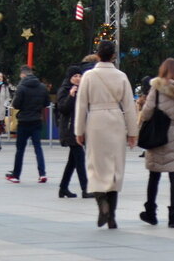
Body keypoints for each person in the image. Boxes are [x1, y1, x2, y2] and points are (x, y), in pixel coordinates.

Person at [75, 39, 139, 229]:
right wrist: (132, 132)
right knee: (115, 169)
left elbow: (81, 104)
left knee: (95, 166)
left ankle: (101, 202)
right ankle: (112, 216)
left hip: (95, 121)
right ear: (113, 56)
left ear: (97, 54)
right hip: (116, 122)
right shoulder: (121, 76)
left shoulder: (88, 76)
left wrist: (79, 130)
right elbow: (129, 106)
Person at [137, 58, 174, 228]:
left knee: (154, 175)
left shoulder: (157, 86)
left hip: (158, 132)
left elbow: (147, 110)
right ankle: (173, 217)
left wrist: (141, 122)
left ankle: (151, 212)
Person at [6, 65, 48, 184]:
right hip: (36, 120)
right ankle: (42, 174)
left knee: (20, 149)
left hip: (24, 121)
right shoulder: (42, 87)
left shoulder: (21, 87)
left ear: (23, 74)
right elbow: (46, 102)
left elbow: (16, 105)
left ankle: (16, 175)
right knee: (38, 148)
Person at [56, 65, 87, 198]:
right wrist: (71, 95)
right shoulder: (64, 90)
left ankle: (63, 188)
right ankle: (85, 188)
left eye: (80, 76)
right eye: (75, 76)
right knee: (79, 159)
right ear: (70, 78)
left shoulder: (83, 90)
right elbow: (63, 108)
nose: (78, 78)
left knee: (72, 161)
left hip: (79, 129)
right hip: (70, 129)